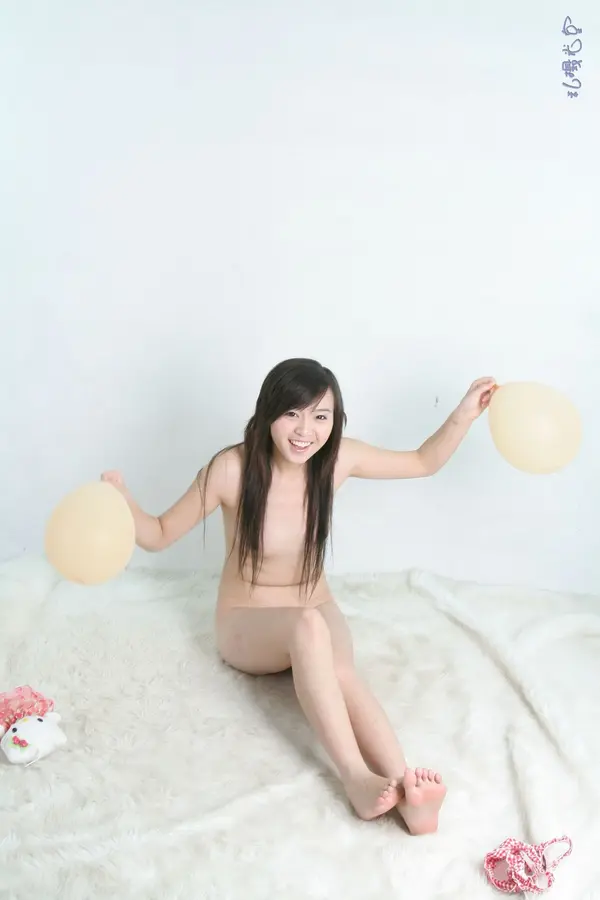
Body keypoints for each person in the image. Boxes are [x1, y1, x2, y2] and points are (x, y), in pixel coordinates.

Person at [102, 358, 495, 835]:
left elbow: (422, 461)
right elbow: (160, 533)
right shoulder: (231, 469)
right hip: (248, 620)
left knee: (340, 668)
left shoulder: (337, 461)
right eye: (292, 413)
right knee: (308, 625)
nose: (306, 430)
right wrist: (121, 499)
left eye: (320, 416)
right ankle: (356, 779)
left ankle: (406, 789)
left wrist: (465, 413)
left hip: (314, 603)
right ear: (269, 412)